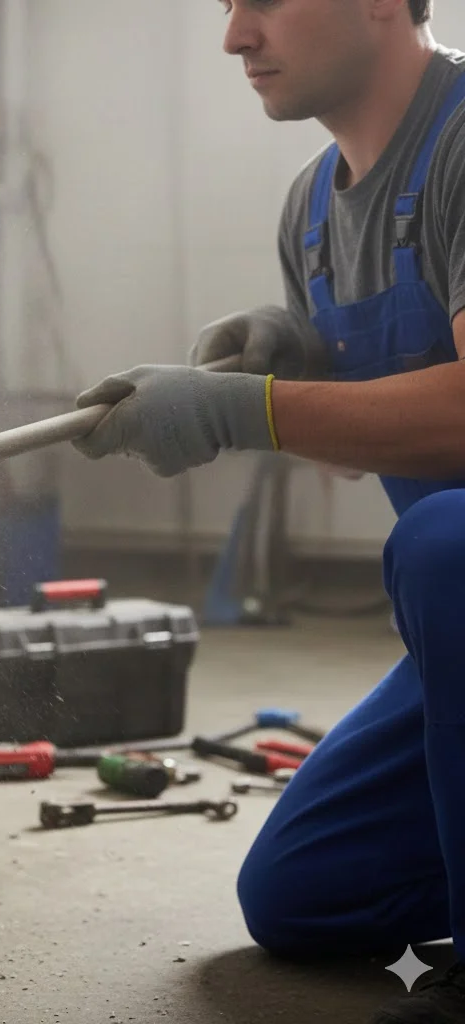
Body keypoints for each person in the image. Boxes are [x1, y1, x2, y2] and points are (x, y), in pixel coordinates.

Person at [72, 1, 465, 1022]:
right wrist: (299, 353)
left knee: (443, 543)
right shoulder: (310, 209)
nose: (235, 36)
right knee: (303, 893)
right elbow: (356, 449)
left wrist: (240, 411)